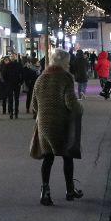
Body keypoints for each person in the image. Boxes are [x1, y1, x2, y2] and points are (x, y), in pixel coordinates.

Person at [30, 48, 84, 205]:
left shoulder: (41, 78)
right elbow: (71, 103)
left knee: (48, 158)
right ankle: (69, 190)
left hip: (44, 125)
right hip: (62, 124)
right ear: (64, 62)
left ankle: (45, 192)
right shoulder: (66, 78)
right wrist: (80, 109)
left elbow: (34, 105)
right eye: (67, 62)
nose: (69, 65)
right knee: (67, 156)